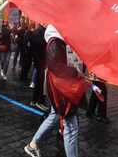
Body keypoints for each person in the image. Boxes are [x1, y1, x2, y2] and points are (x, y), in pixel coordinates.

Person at [24, 25, 85, 157]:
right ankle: (33, 145)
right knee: (71, 126)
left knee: (55, 116)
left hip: (60, 89)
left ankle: (33, 145)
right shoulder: (55, 43)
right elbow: (56, 66)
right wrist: (75, 71)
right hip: (61, 90)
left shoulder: (60, 42)